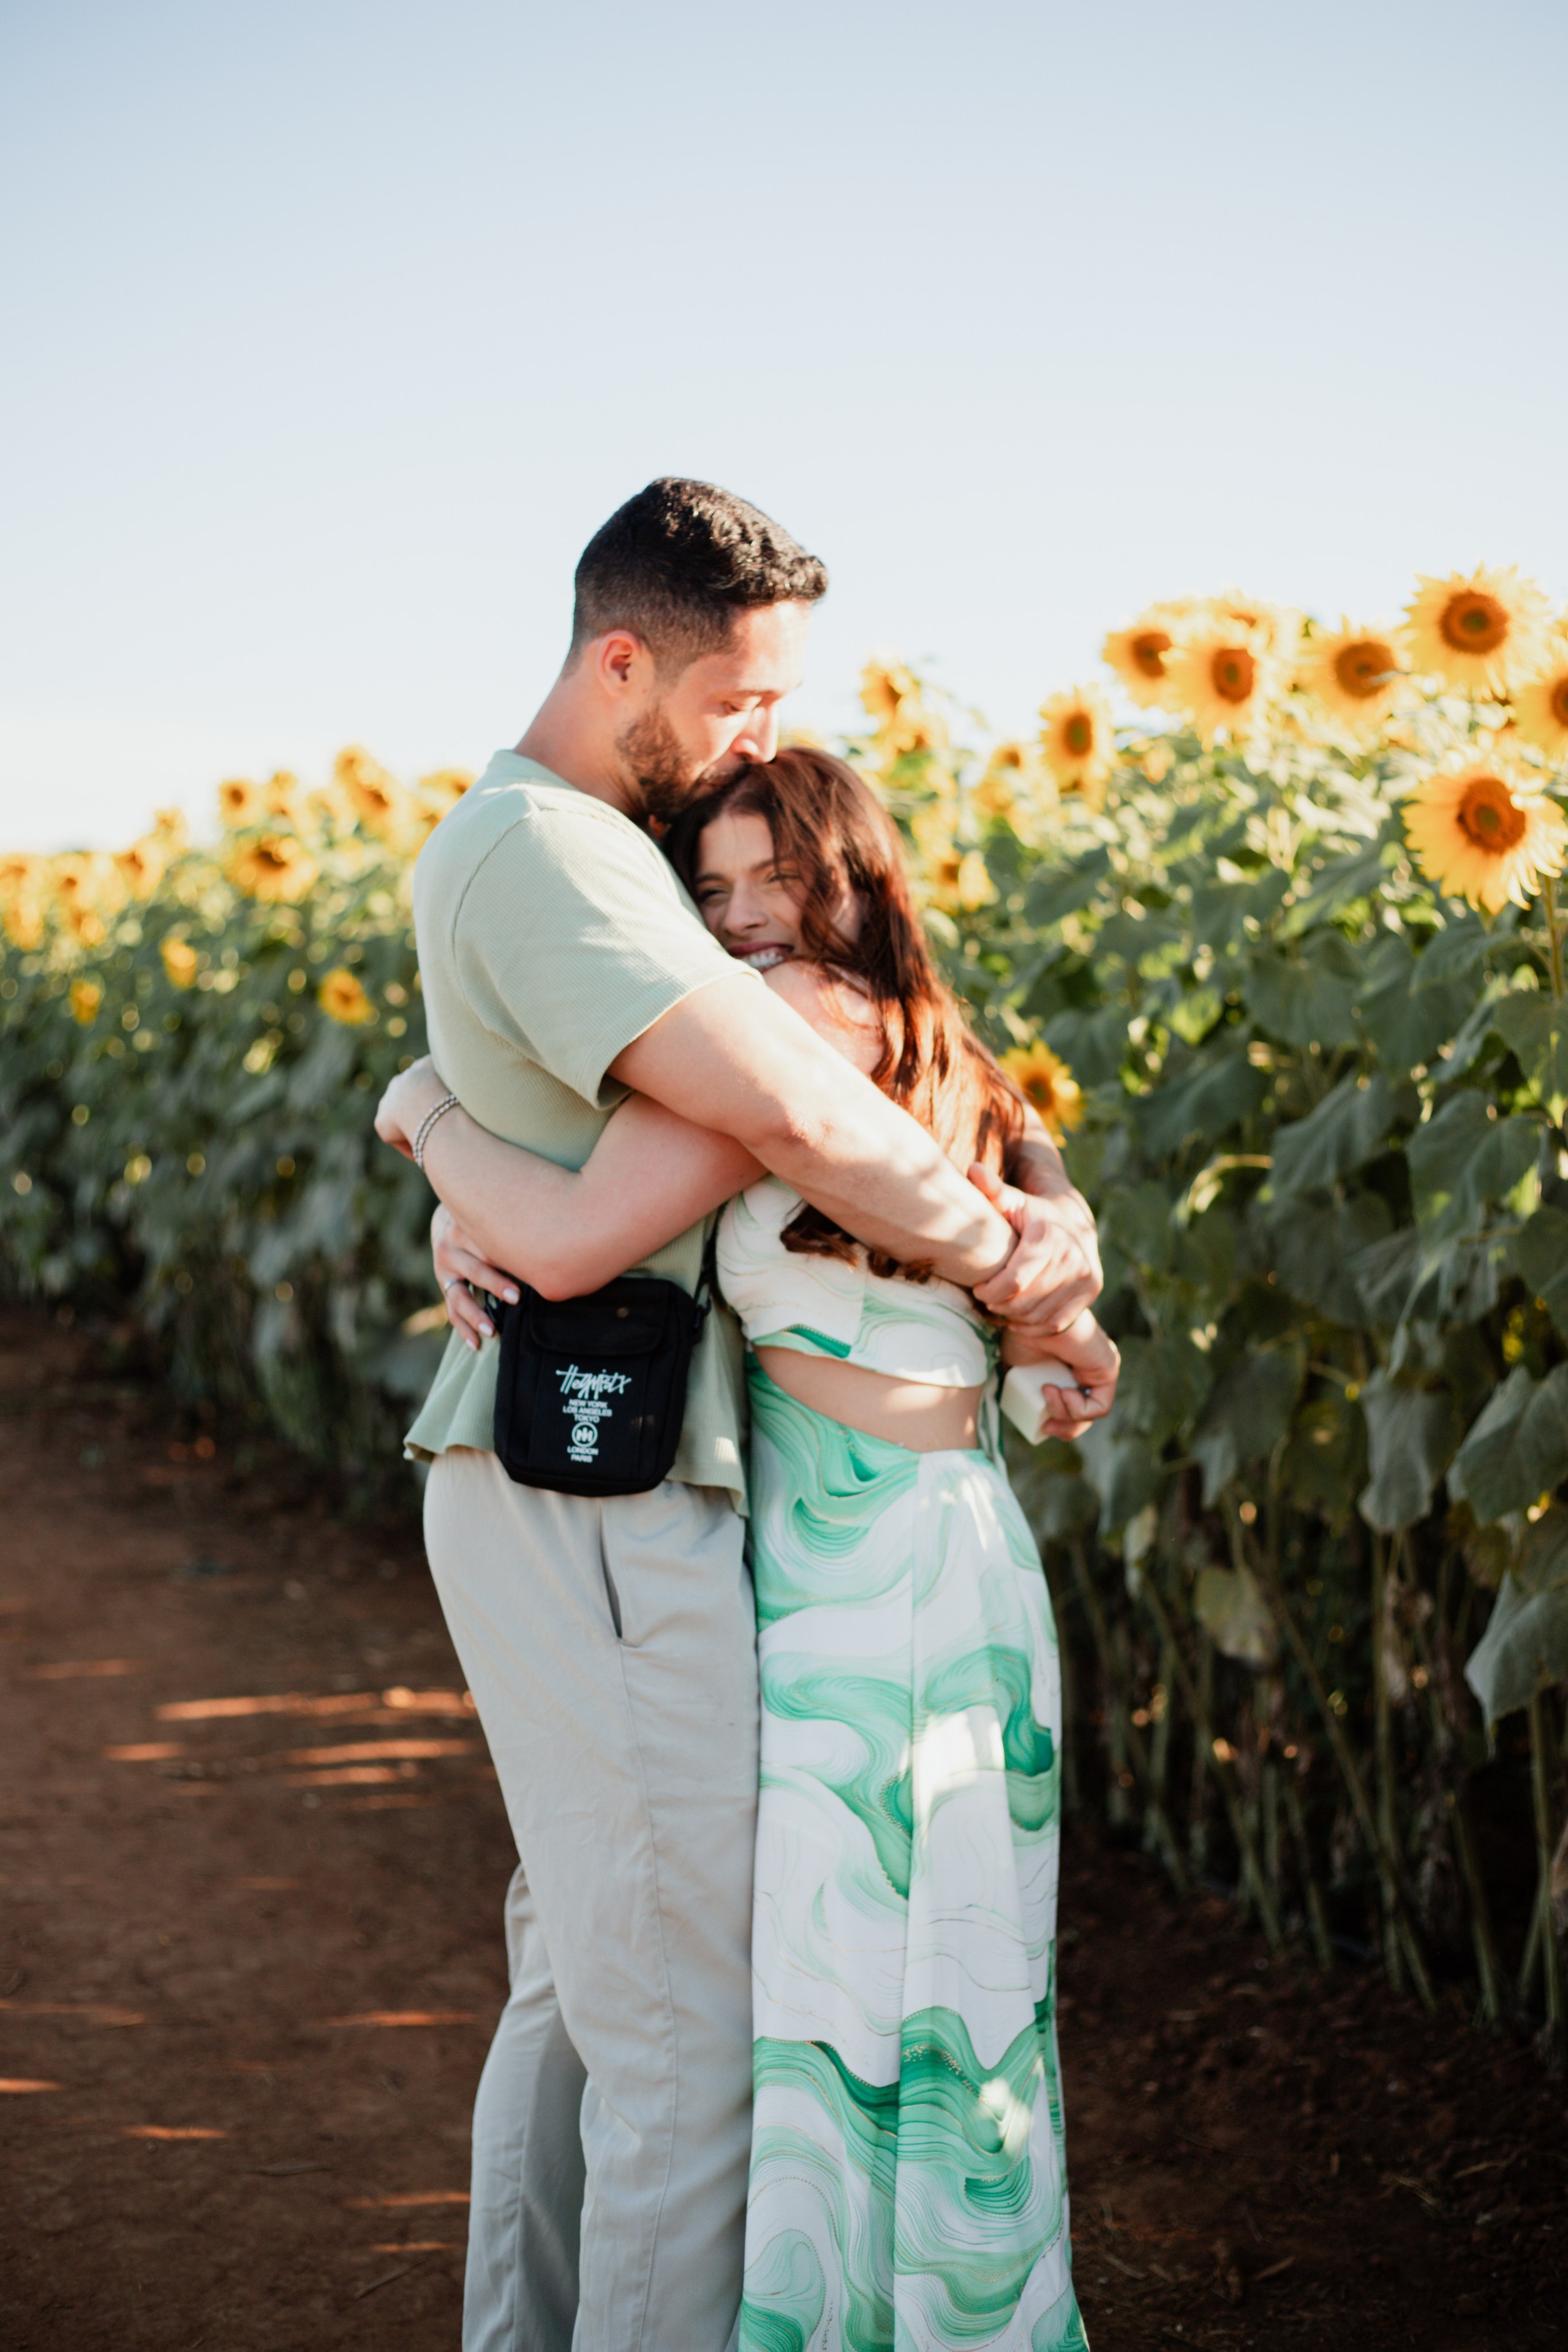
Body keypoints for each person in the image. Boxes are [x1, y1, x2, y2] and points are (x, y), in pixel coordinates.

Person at [377, 479, 1107, 2352]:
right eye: (733, 703)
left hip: (602, 1454)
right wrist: (1022, 1263)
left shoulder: (575, 847)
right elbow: (784, 1108)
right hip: (598, 1479)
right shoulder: (553, 855)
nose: (756, 742)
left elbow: (888, 1048)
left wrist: (431, 1122)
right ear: (622, 658)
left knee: (585, 1984)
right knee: (683, 2040)